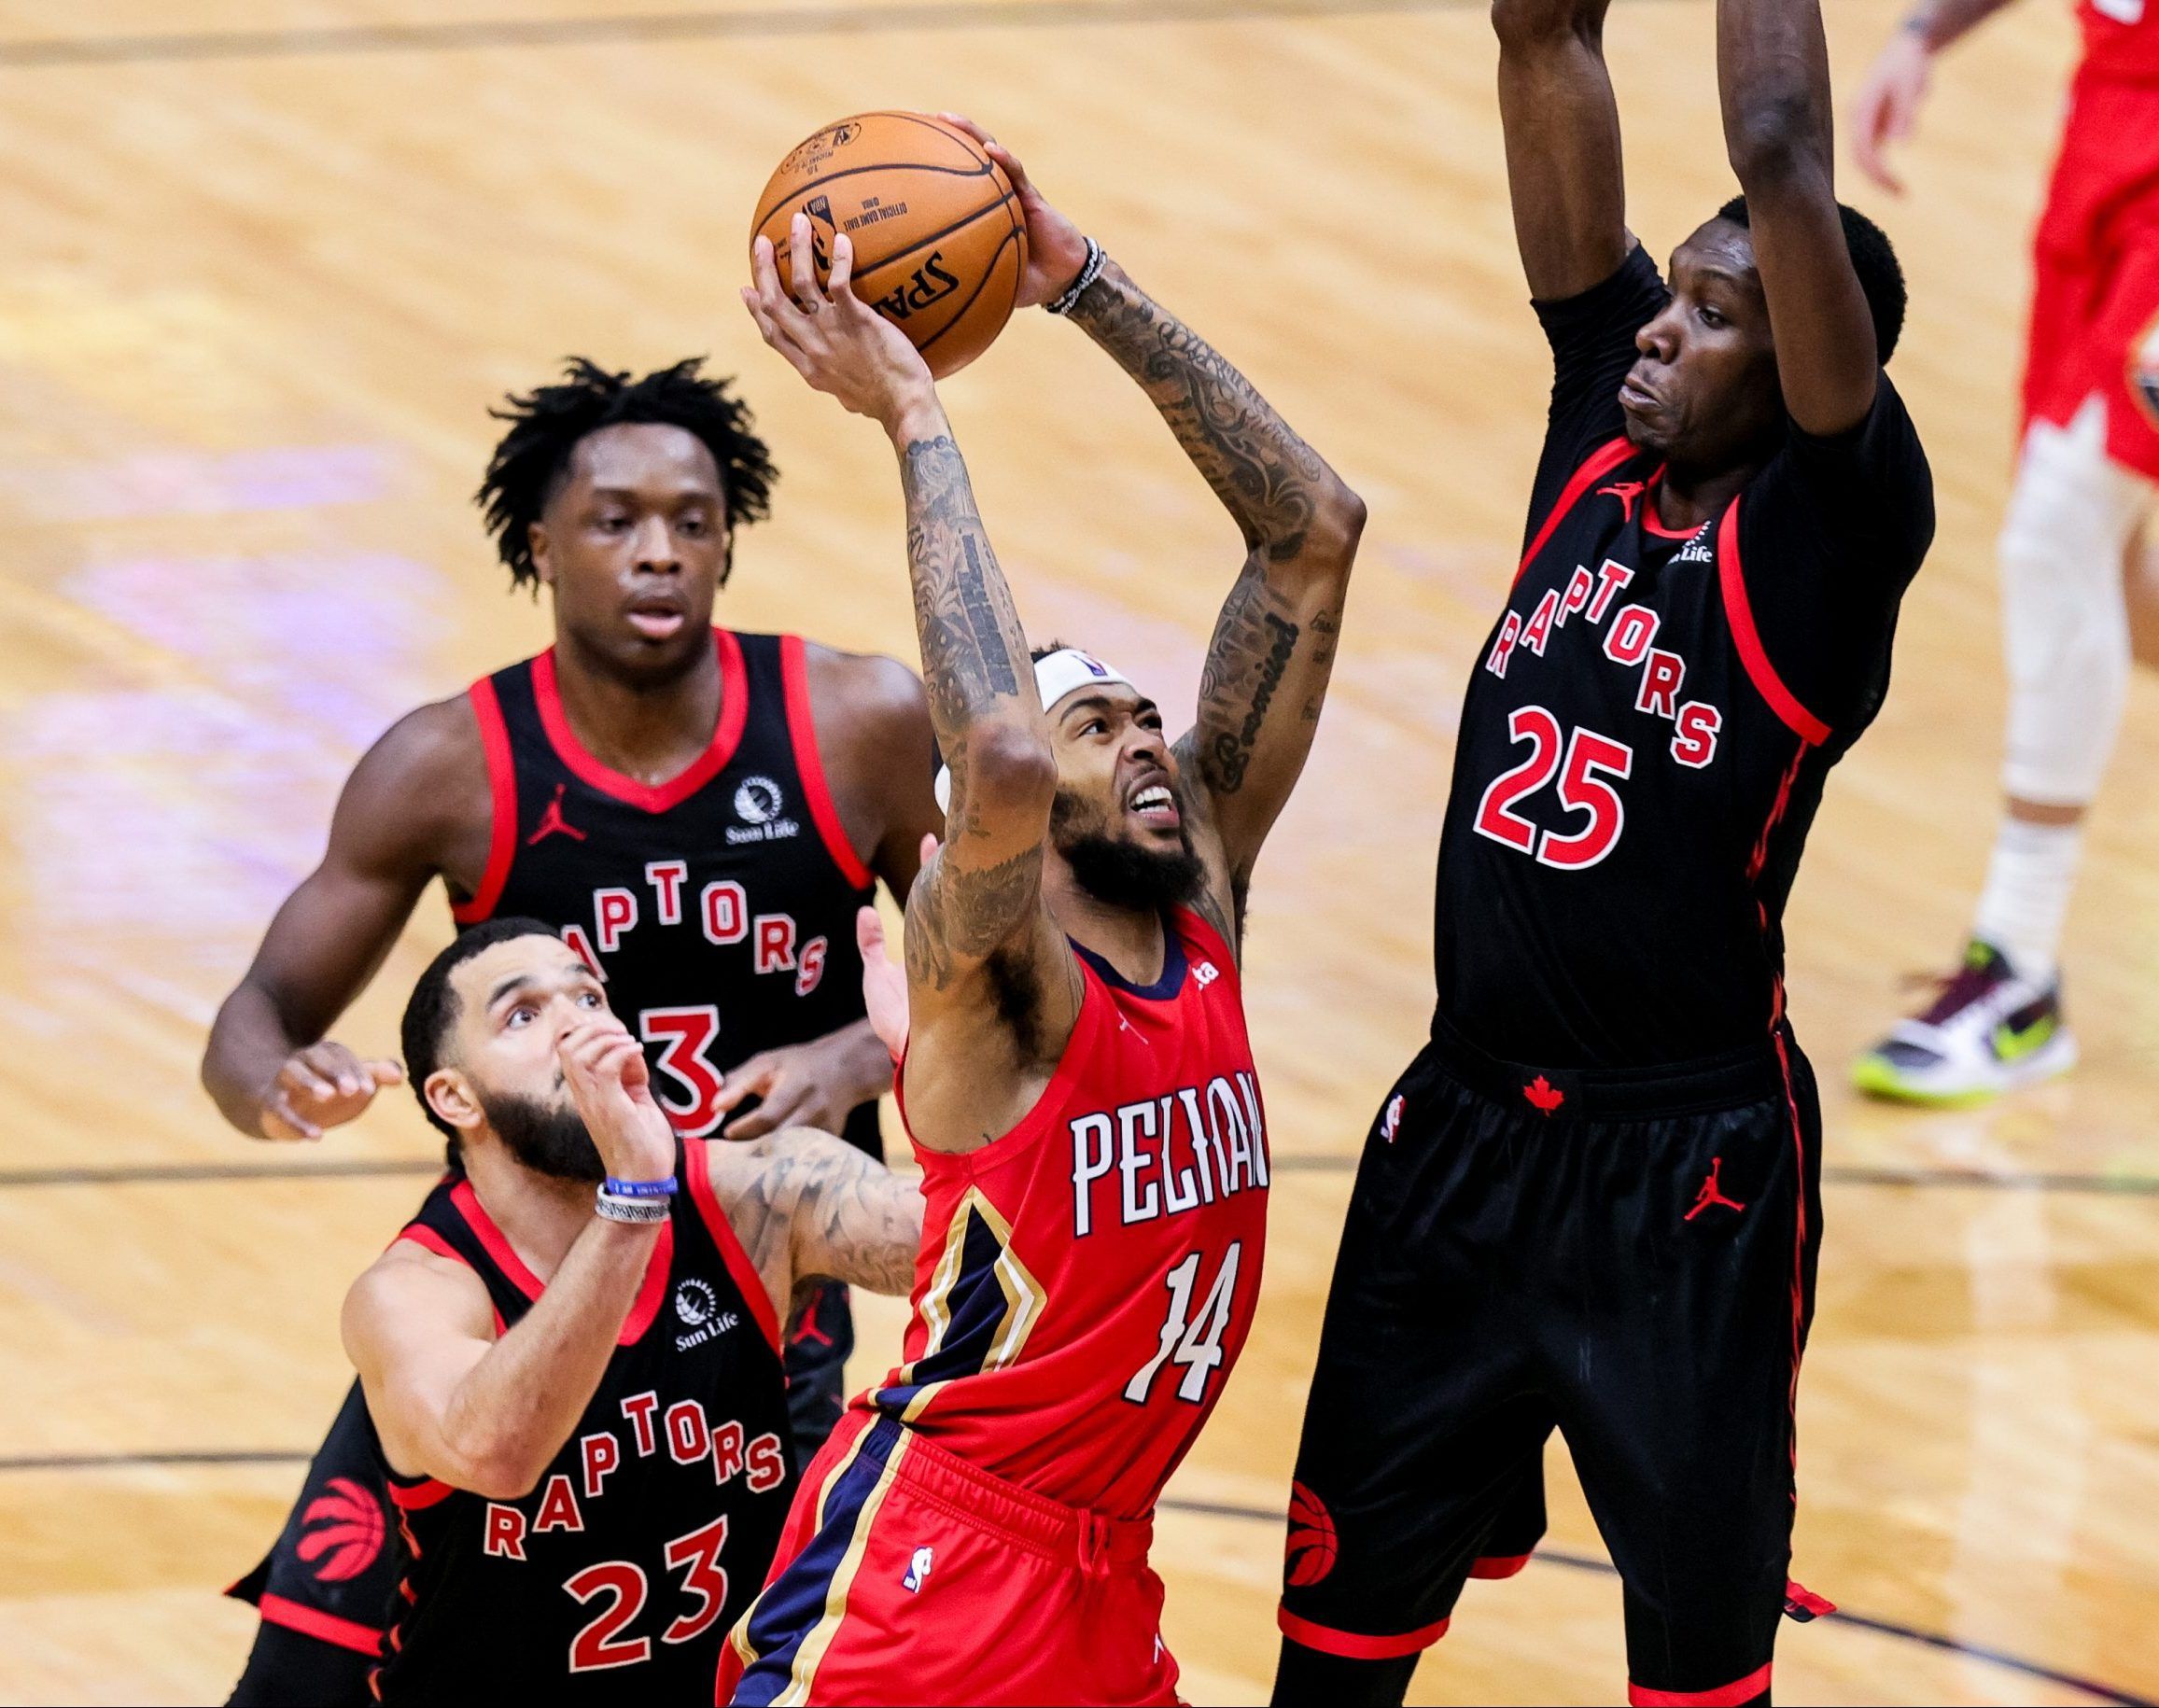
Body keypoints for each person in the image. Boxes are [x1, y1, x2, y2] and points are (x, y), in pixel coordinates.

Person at [1271, 0, 1932, 1701]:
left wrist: (1775, 200)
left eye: (1711, 314)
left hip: (1683, 1173)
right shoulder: (1599, 435)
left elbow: (1776, 148)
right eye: (1666, 296)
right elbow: (1537, 38)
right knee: (1330, 1655)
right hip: (1460, 1131)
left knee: (1693, 1680)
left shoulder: (1828, 533)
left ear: (1802, 366)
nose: (1653, 327)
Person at [717, 115, 1366, 1707]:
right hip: (922, 1576)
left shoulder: (1196, 902)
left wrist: (1080, 283)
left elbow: (1312, 532)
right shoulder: (992, 969)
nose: (1146, 740)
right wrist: (911, 411)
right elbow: (998, 752)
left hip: (1100, 1566)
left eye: (1148, 717)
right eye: (1103, 727)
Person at [204, 358, 938, 1702]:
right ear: (540, 544)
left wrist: (857, 1054)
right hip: (516, 1280)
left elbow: (1009, 970)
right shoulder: (447, 764)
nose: (659, 553)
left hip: (755, 1273)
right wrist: (283, 1082)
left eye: (693, 522)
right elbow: (254, 1020)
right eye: (615, 521)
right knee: (307, 1676)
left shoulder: (857, 723)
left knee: (713, 1661)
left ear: (728, 540)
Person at [1850, 0, 2159, 1101]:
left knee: (2054, 534)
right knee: (2099, 570)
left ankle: (2018, 967)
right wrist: (1926, 32)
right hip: (2112, 111)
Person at [342, 917, 920, 1702]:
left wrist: (945, 1057)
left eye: (589, 997)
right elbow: (497, 1456)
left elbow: (993, 1240)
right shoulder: (415, 1291)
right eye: (523, 1015)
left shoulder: (753, 1193)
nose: (576, 1026)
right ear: (456, 1098)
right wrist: (635, 1197)